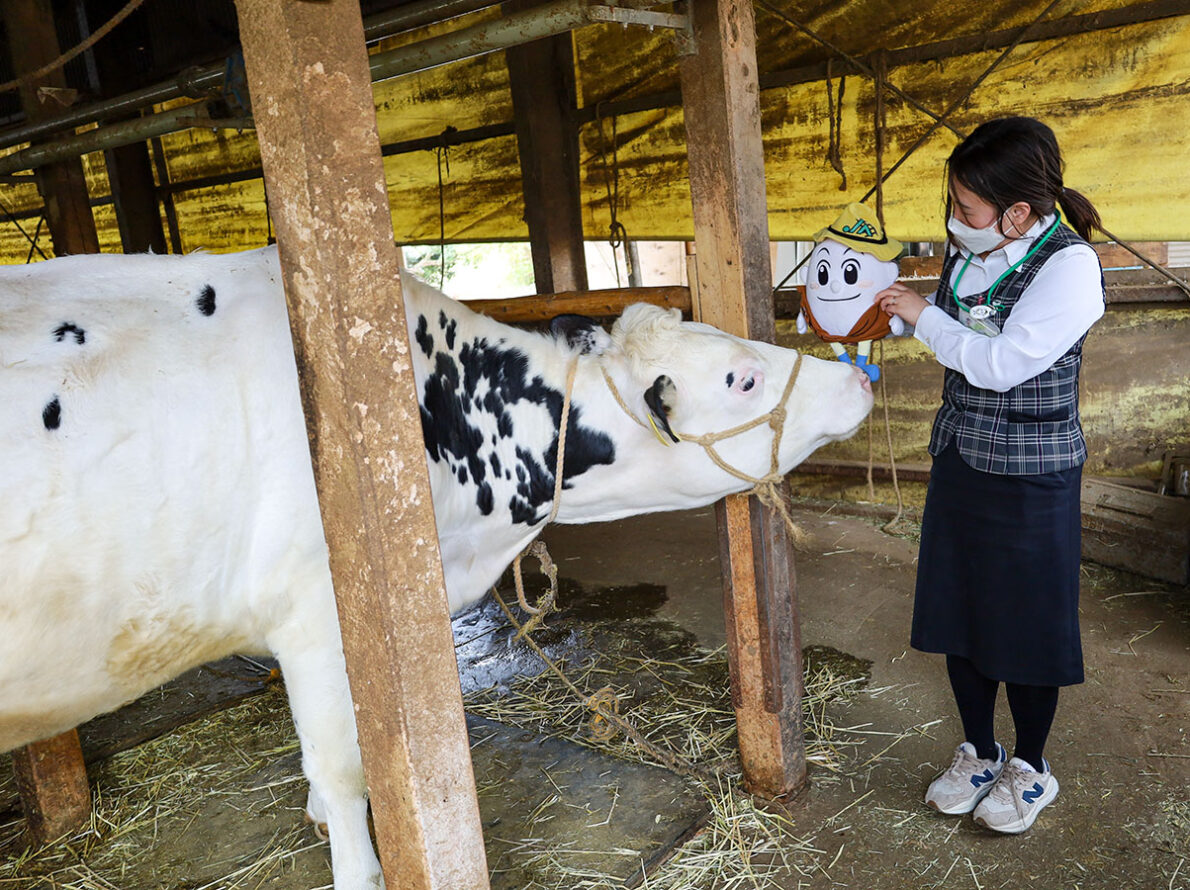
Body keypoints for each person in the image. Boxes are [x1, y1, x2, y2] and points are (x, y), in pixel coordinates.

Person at [875, 116, 1105, 834]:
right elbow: (952, 322)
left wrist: (923, 318)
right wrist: (881, 310)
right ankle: (979, 749)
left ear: (1017, 212)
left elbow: (1001, 365)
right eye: (953, 205)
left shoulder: (1070, 267)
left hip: (1033, 476)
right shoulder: (972, 251)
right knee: (961, 616)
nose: (954, 221)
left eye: (966, 209)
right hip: (961, 459)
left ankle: (1031, 768)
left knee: (1028, 629)